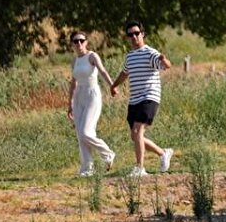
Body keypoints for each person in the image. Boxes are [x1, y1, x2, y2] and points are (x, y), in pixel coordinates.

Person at [111, 21, 174, 177]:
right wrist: (114, 85)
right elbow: (125, 73)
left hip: (149, 96)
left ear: (142, 34)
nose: (134, 37)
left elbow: (166, 65)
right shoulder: (130, 57)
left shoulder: (150, 53)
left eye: (136, 33)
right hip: (134, 100)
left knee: (138, 130)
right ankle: (163, 153)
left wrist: (164, 60)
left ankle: (140, 168)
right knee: (135, 135)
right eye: (130, 34)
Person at [67, 31, 117, 177]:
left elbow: (102, 71)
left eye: (82, 40)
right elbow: (73, 82)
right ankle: (87, 168)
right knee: (80, 134)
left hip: (92, 94)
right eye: (75, 41)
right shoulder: (74, 61)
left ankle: (107, 154)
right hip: (78, 97)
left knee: (86, 132)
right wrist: (69, 103)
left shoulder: (92, 56)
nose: (79, 44)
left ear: (86, 42)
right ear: (72, 44)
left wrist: (112, 86)